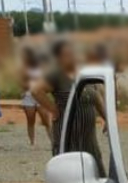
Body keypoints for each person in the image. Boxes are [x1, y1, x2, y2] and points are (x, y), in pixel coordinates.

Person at [32, 40, 105, 172]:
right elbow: (36, 91)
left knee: (94, 169)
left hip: (88, 138)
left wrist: (107, 118)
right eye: (67, 54)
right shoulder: (56, 75)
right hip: (68, 135)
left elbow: (96, 97)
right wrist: (53, 109)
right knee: (71, 171)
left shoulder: (85, 73)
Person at [19, 47, 50, 147]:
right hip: (29, 95)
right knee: (30, 119)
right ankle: (32, 142)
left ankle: (53, 140)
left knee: (46, 119)